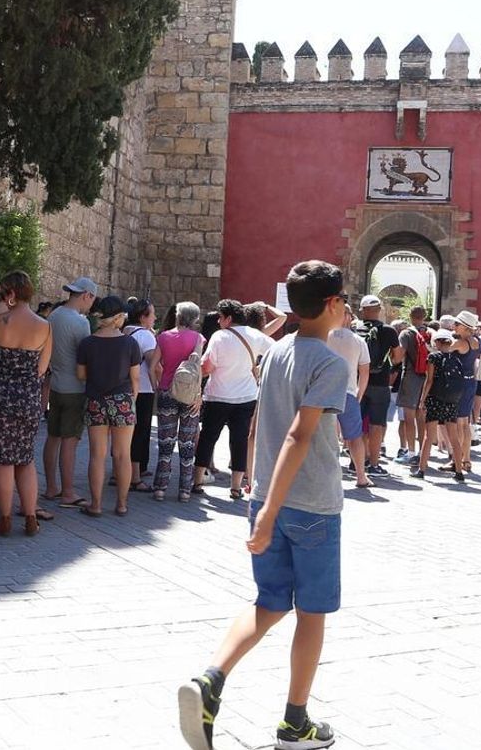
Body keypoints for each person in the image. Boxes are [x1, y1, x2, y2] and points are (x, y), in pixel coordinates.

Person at [177, 260, 348, 750]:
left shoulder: (277, 351)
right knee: (311, 612)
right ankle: (296, 722)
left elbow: (260, 427)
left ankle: (211, 679)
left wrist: (259, 497)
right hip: (311, 505)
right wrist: (271, 509)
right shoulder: (330, 363)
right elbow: (300, 434)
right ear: (333, 304)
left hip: (264, 496)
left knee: (269, 602)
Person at [0, 271, 54, 536]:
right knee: (25, 459)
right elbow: (42, 369)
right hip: (28, 399)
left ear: (9, 294)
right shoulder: (44, 326)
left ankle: (5, 519)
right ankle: (31, 517)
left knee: (3, 461)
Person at [196, 299, 271, 500]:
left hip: (218, 395)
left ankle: (197, 481)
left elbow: (208, 367)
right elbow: (275, 353)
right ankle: (236, 487)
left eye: (220, 317)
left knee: (208, 437)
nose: (219, 321)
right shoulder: (256, 335)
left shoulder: (219, 336)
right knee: (239, 440)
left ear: (228, 318)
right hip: (246, 396)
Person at [76, 295, 142, 517]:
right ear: (118, 318)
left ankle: (95, 505)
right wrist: (132, 401)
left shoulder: (87, 343)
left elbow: (81, 374)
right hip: (122, 399)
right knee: (123, 454)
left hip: (96, 399)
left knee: (97, 455)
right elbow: (135, 378)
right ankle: (121, 504)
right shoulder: (130, 343)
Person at [45, 277, 97, 506]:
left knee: (53, 437)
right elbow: (85, 357)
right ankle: (68, 492)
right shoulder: (81, 323)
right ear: (87, 295)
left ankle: (51, 487)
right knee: (70, 440)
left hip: (56, 384)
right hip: (75, 388)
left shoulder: (54, 316)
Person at [154, 302, 204, 502]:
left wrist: (157, 385)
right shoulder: (198, 338)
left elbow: (153, 365)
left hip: (167, 391)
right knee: (187, 444)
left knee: (166, 443)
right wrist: (199, 395)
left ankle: (160, 488)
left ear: (177, 316)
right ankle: (184, 490)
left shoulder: (164, 337)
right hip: (190, 396)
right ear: (195, 318)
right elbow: (198, 368)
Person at [412, 328, 470, 481]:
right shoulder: (456, 359)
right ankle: (459, 472)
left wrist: (422, 399)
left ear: (437, 342)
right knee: (454, 437)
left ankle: (421, 470)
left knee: (428, 436)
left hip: (435, 399)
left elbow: (429, 380)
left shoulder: (433, 357)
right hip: (451, 401)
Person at [354, 295, 402, 476]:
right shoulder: (389, 331)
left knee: (358, 423)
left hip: (358, 382)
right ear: (379, 309)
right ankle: (373, 464)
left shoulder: (355, 328)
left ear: (363, 310)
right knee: (376, 425)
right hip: (380, 382)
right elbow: (397, 357)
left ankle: (356, 461)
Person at [327, 304, 371, 489]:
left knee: (324, 436)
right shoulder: (358, 341)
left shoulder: (324, 336)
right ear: (350, 317)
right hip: (348, 393)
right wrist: (359, 395)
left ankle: (326, 476)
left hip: (324, 392)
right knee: (354, 437)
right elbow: (365, 372)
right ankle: (361, 476)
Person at [125, 297, 161, 491]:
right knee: (140, 432)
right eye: (152, 314)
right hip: (144, 388)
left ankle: (121, 472)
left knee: (127, 432)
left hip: (126, 388)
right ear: (142, 317)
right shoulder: (145, 336)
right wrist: (159, 382)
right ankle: (135, 477)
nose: (155, 317)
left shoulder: (126, 331)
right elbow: (152, 364)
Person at [395, 307, 431, 464]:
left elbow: (398, 356)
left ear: (410, 316)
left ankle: (411, 452)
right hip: (427, 378)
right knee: (421, 417)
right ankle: (423, 452)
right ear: (424, 317)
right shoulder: (431, 333)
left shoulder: (406, 333)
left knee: (409, 417)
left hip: (410, 376)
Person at [451, 310, 481, 448]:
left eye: (457, 324)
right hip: (471, 382)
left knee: (459, 423)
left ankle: (457, 459)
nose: (454, 326)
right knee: (465, 422)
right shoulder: (478, 341)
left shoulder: (460, 343)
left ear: (465, 327)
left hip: (460, 384)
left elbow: (440, 350)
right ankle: (466, 459)